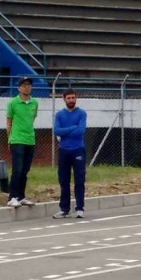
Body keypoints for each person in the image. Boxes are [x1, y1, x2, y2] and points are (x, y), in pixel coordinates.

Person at [52, 89, 87, 219]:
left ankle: (79, 208)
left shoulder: (81, 113)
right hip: (64, 150)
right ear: (64, 99)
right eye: (69, 98)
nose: (71, 100)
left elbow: (81, 131)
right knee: (63, 180)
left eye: (73, 98)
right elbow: (56, 130)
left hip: (78, 149)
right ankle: (64, 209)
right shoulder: (60, 115)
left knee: (79, 179)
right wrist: (72, 127)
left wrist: (65, 132)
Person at [6, 77, 39, 208]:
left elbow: (32, 119)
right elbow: (9, 122)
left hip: (30, 140)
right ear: (19, 88)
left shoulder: (34, 103)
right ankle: (12, 196)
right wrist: (10, 139)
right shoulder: (13, 103)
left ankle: (21, 196)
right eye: (24, 85)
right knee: (17, 169)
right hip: (17, 140)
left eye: (29, 85)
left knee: (25, 169)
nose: (27, 87)